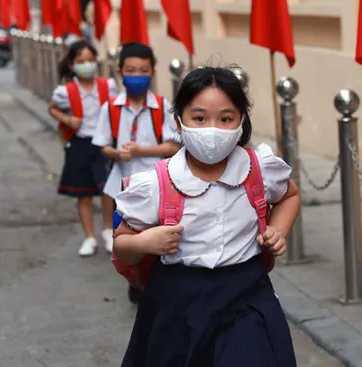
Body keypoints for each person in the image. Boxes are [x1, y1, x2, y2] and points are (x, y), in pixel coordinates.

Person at [113, 66, 301, 366]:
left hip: (246, 294)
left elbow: (289, 195)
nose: (212, 129)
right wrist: (146, 242)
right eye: (199, 118)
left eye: (225, 119)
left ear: (241, 121)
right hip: (176, 301)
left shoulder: (259, 169)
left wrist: (278, 230)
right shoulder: (156, 183)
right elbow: (121, 243)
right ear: (179, 121)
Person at [92, 42, 179, 304]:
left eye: (143, 70)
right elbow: (103, 146)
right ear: (120, 72)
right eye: (131, 70)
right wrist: (116, 153)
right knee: (129, 240)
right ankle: (135, 281)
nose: (137, 76)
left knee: (157, 237)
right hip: (122, 185)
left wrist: (142, 150)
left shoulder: (163, 106)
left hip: (157, 184)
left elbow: (173, 146)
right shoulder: (111, 108)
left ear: (152, 72)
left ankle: (155, 285)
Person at [48, 39, 119, 257]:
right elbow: (52, 109)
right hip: (79, 144)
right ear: (72, 65)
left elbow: (117, 108)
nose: (86, 64)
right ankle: (89, 237)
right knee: (84, 194)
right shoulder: (65, 91)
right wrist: (68, 121)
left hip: (103, 144)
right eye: (81, 61)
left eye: (90, 60)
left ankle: (107, 230)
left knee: (107, 190)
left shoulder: (108, 86)